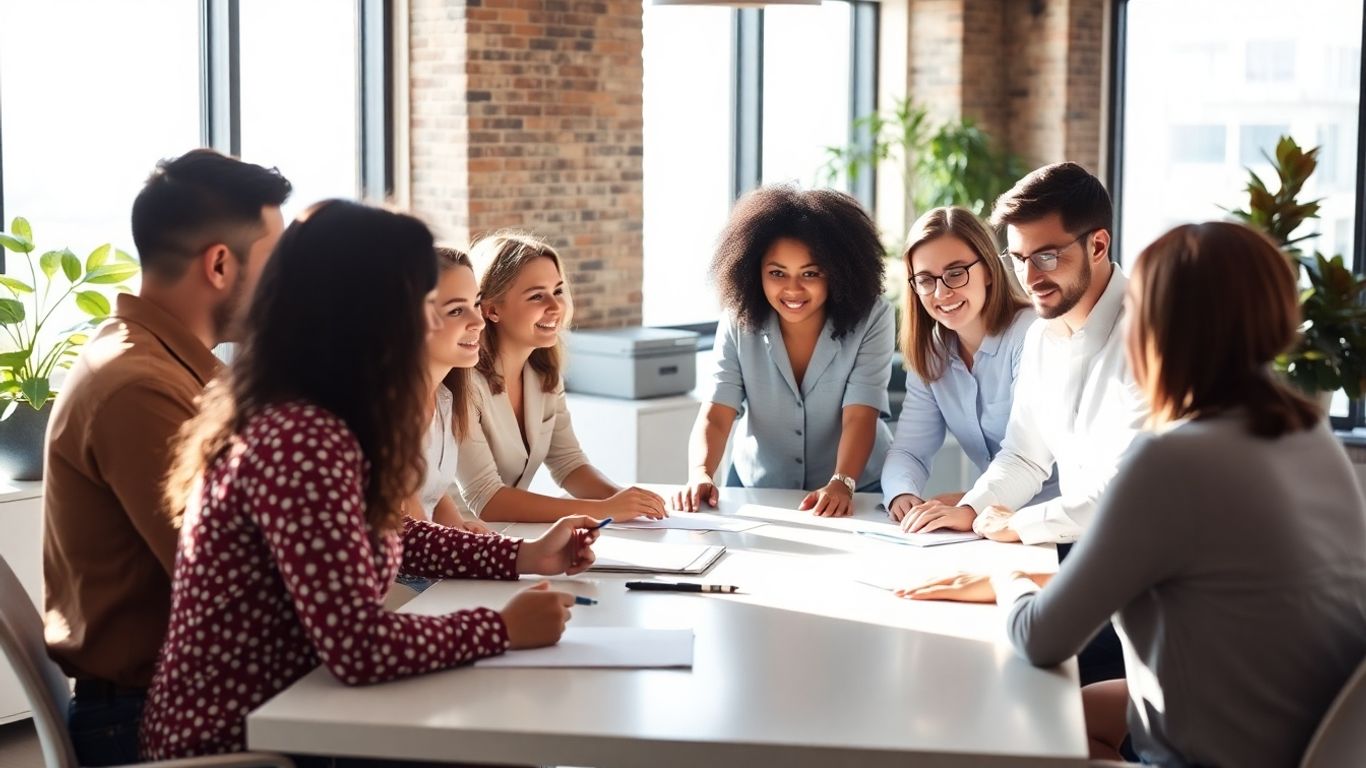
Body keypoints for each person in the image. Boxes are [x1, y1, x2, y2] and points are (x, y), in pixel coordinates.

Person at [139, 201, 601, 760]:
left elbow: (395, 532)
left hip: (304, 715)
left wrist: (526, 558)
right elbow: (358, 647)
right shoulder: (302, 436)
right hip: (246, 744)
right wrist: (501, 628)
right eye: (426, 303)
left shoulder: (321, 415)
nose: (445, 321)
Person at [900, 221, 1366, 768]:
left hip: (1216, 752)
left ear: (1157, 326)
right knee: (1079, 711)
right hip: (1308, 731)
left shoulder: (1171, 459)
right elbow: (1207, 579)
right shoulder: (1311, 436)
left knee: (1022, 731)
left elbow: (1038, 638)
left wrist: (1006, 578)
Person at [43, 149, 290, 765]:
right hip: (146, 717)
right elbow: (236, 585)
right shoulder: (138, 387)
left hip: (189, 691)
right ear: (219, 264)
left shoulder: (174, 369)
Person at [674, 185, 893, 518]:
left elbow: (861, 413)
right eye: (777, 273)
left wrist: (842, 481)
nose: (792, 289)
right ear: (753, 271)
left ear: (837, 273)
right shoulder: (737, 320)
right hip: (757, 486)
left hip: (856, 488)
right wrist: (700, 473)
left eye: (810, 273)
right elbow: (717, 414)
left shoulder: (872, 316)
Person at [455, 231, 667, 523]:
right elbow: (487, 499)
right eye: (536, 296)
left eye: (557, 291)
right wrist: (605, 510)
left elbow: (569, 464)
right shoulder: (462, 384)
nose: (555, 307)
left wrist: (627, 501)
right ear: (491, 310)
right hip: (455, 549)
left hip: (510, 539)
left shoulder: (543, 375)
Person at [880, 206, 1058, 524]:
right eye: (925, 279)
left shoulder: (1032, 334)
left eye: (956, 272)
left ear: (988, 269)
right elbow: (909, 450)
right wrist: (902, 495)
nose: (941, 292)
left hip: (1057, 522)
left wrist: (970, 506)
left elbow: (1027, 456)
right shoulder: (933, 350)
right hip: (992, 523)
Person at [412, 247, 493, 534]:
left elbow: (432, 490)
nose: (479, 322)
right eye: (457, 310)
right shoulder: (392, 411)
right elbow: (414, 533)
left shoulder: (445, 398)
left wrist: (460, 528)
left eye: (476, 305)